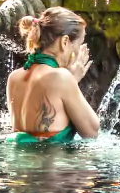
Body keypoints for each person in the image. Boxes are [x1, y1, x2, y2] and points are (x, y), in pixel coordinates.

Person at [6, 7, 100, 143]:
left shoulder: (14, 77)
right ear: (65, 42)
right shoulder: (62, 78)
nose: (79, 51)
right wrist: (72, 80)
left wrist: (71, 80)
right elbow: (91, 131)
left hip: (16, 163)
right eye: (78, 44)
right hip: (51, 163)